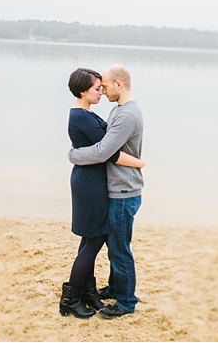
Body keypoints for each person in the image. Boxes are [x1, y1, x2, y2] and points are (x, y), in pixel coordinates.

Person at [60, 68, 145, 319]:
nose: (103, 91)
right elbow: (103, 149)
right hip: (102, 186)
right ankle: (96, 291)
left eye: (104, 86)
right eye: (98, 87)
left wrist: (73, 155)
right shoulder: (116, 110)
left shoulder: (126, 114)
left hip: (122, 189)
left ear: (118, 84)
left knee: (117, 248)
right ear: (83, 91)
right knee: (103, 243)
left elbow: (103, 152)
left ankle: (125, 301)